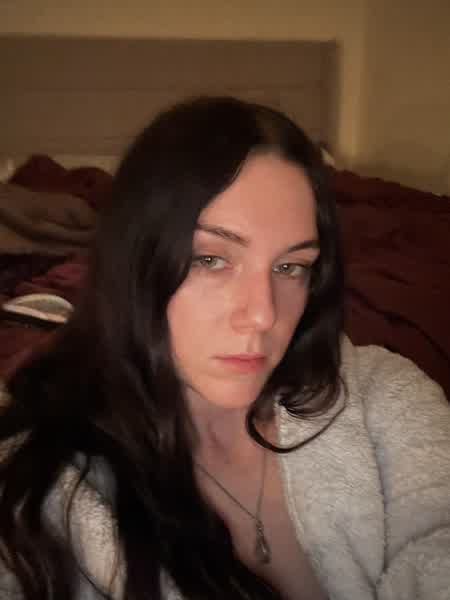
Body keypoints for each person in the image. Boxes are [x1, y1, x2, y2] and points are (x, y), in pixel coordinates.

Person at [0, 97, 449, 600]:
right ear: (135, 259)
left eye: (290, 267)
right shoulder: (41, 491)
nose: (263, 314)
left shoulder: (381, 393)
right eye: (211, 259)